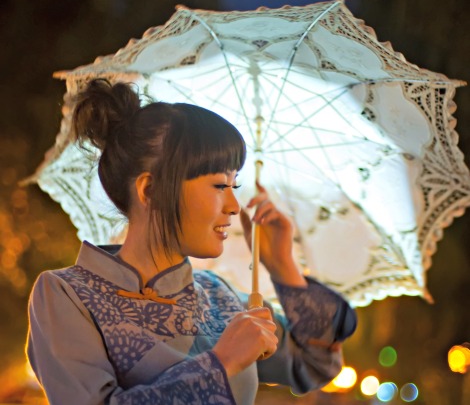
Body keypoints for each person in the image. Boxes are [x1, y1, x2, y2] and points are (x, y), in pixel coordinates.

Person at [27, 79, 357, 405]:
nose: (233, 207)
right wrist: (223, 363)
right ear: (150, 190)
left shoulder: (220, 297)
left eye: (235, 186)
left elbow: (316, 364)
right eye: (218, 186)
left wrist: (283, 267)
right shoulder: (67, 295)